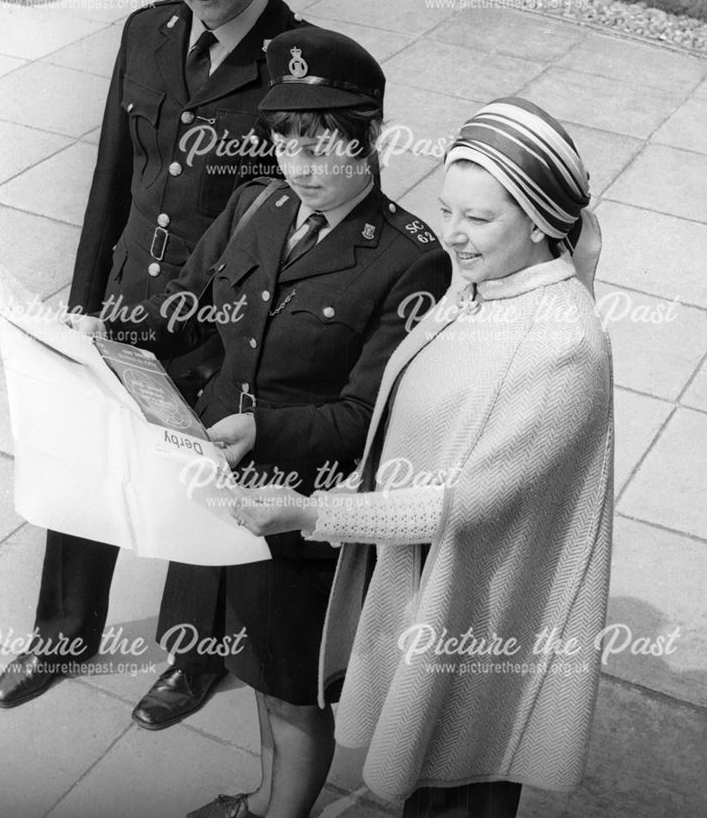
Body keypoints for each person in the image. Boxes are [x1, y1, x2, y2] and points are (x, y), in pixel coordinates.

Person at [87, 27, 452, 818]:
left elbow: (365, 418)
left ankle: (281, 815)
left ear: (371, 136)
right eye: (287, 143)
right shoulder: (258, 201)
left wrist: (267, 434)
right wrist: (111, 330)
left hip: (299, 512)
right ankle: (262, 800)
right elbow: (190, 303)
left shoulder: (410, 259)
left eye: (324, 147)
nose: (303, 168)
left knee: (293, 689)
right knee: (252, 667)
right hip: (219, 482)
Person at [0, 0, 314, 713]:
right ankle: (63, 632)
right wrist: (86, 300)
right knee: (85, 460)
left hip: (218, 326)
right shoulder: (146, 33)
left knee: (202, 490)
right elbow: (111, 174)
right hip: (127, 302)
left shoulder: (296, 64)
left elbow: (294, 222)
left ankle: (194, 657)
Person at [235, 96, 614, 818]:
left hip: (478, 617)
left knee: (457, 788)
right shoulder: (481, 283)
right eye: (448, 210)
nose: (453, 237)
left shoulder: (564, 348)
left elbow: (462, 503)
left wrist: (313, 510)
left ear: (540, 220)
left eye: (478, 219)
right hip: (434, 582)